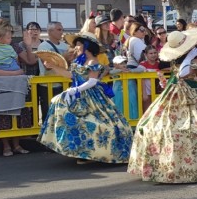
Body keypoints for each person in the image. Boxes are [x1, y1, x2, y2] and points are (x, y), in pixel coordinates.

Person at [127, 29, 197, 183]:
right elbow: (181, 74)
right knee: (177, 129)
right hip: (181, 95)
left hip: (196, 94)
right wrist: (192, 58)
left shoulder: (194, 59)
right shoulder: (183, 62)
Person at [37, 33, 133, 164]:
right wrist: (53, 67)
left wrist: (76, 89)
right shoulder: (78, 62)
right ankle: (78, 150)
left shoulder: (93, 62)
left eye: (78, 44)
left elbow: (92, 81)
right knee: (59, 104)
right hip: (78, 94)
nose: (75, 47)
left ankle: (95, 153)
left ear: (86, 46)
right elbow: (70, 75)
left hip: (92, 96)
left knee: (100, 125)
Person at [0, 18, 32, 157]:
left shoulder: (13, 45)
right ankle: (6, 146)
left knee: (17, 112)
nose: (10, 36)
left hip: (16, 84)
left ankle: (17, 145)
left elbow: (30, 61)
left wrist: (28, 45)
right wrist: (15, 72)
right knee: (2, 115)